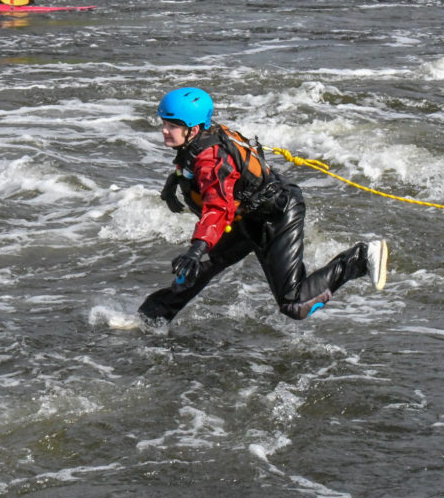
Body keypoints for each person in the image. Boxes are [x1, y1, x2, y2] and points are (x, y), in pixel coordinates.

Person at [138, 87, 389, 325]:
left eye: (172, 126)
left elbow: (218, 206)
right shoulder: (200, 139)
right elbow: (195, 169)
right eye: (164, 124)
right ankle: (153, 316)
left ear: (193, 129)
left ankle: (360, 258)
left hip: (276, 215)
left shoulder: (212, 159)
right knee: (197, 269)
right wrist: (173, 182)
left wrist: (197, 247)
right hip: (246, 217)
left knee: (294, 304)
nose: (164, 131)